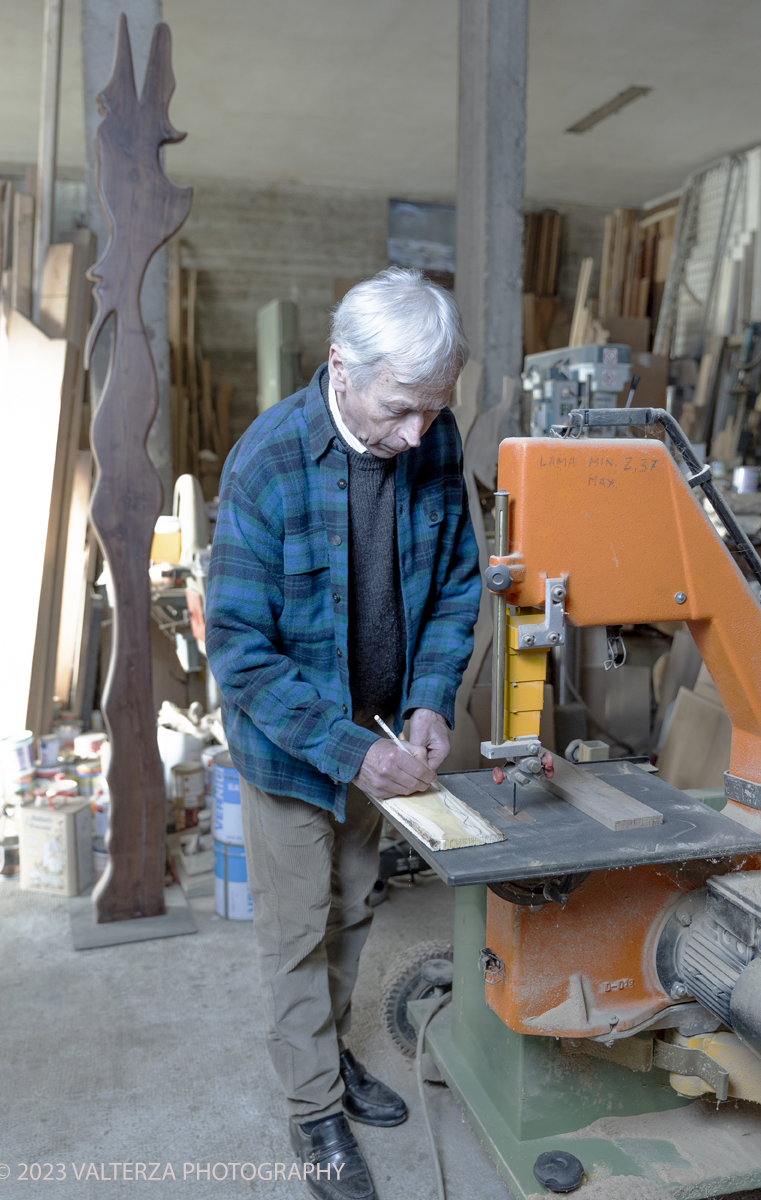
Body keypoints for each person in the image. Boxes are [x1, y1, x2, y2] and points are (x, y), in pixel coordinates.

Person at [206, 267, 481, 1200]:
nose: (416, 435)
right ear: (340, 366)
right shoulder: (267, 462)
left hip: (381, 734)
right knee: (295, 930)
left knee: (357, 904)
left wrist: (432, 699)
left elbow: (454, 588)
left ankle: (323, 1058)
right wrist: (351, 749)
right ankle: (313, 1108)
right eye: (401, 409)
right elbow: (239, 654)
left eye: (432, 410)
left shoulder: (429, 437)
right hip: (294, 744)